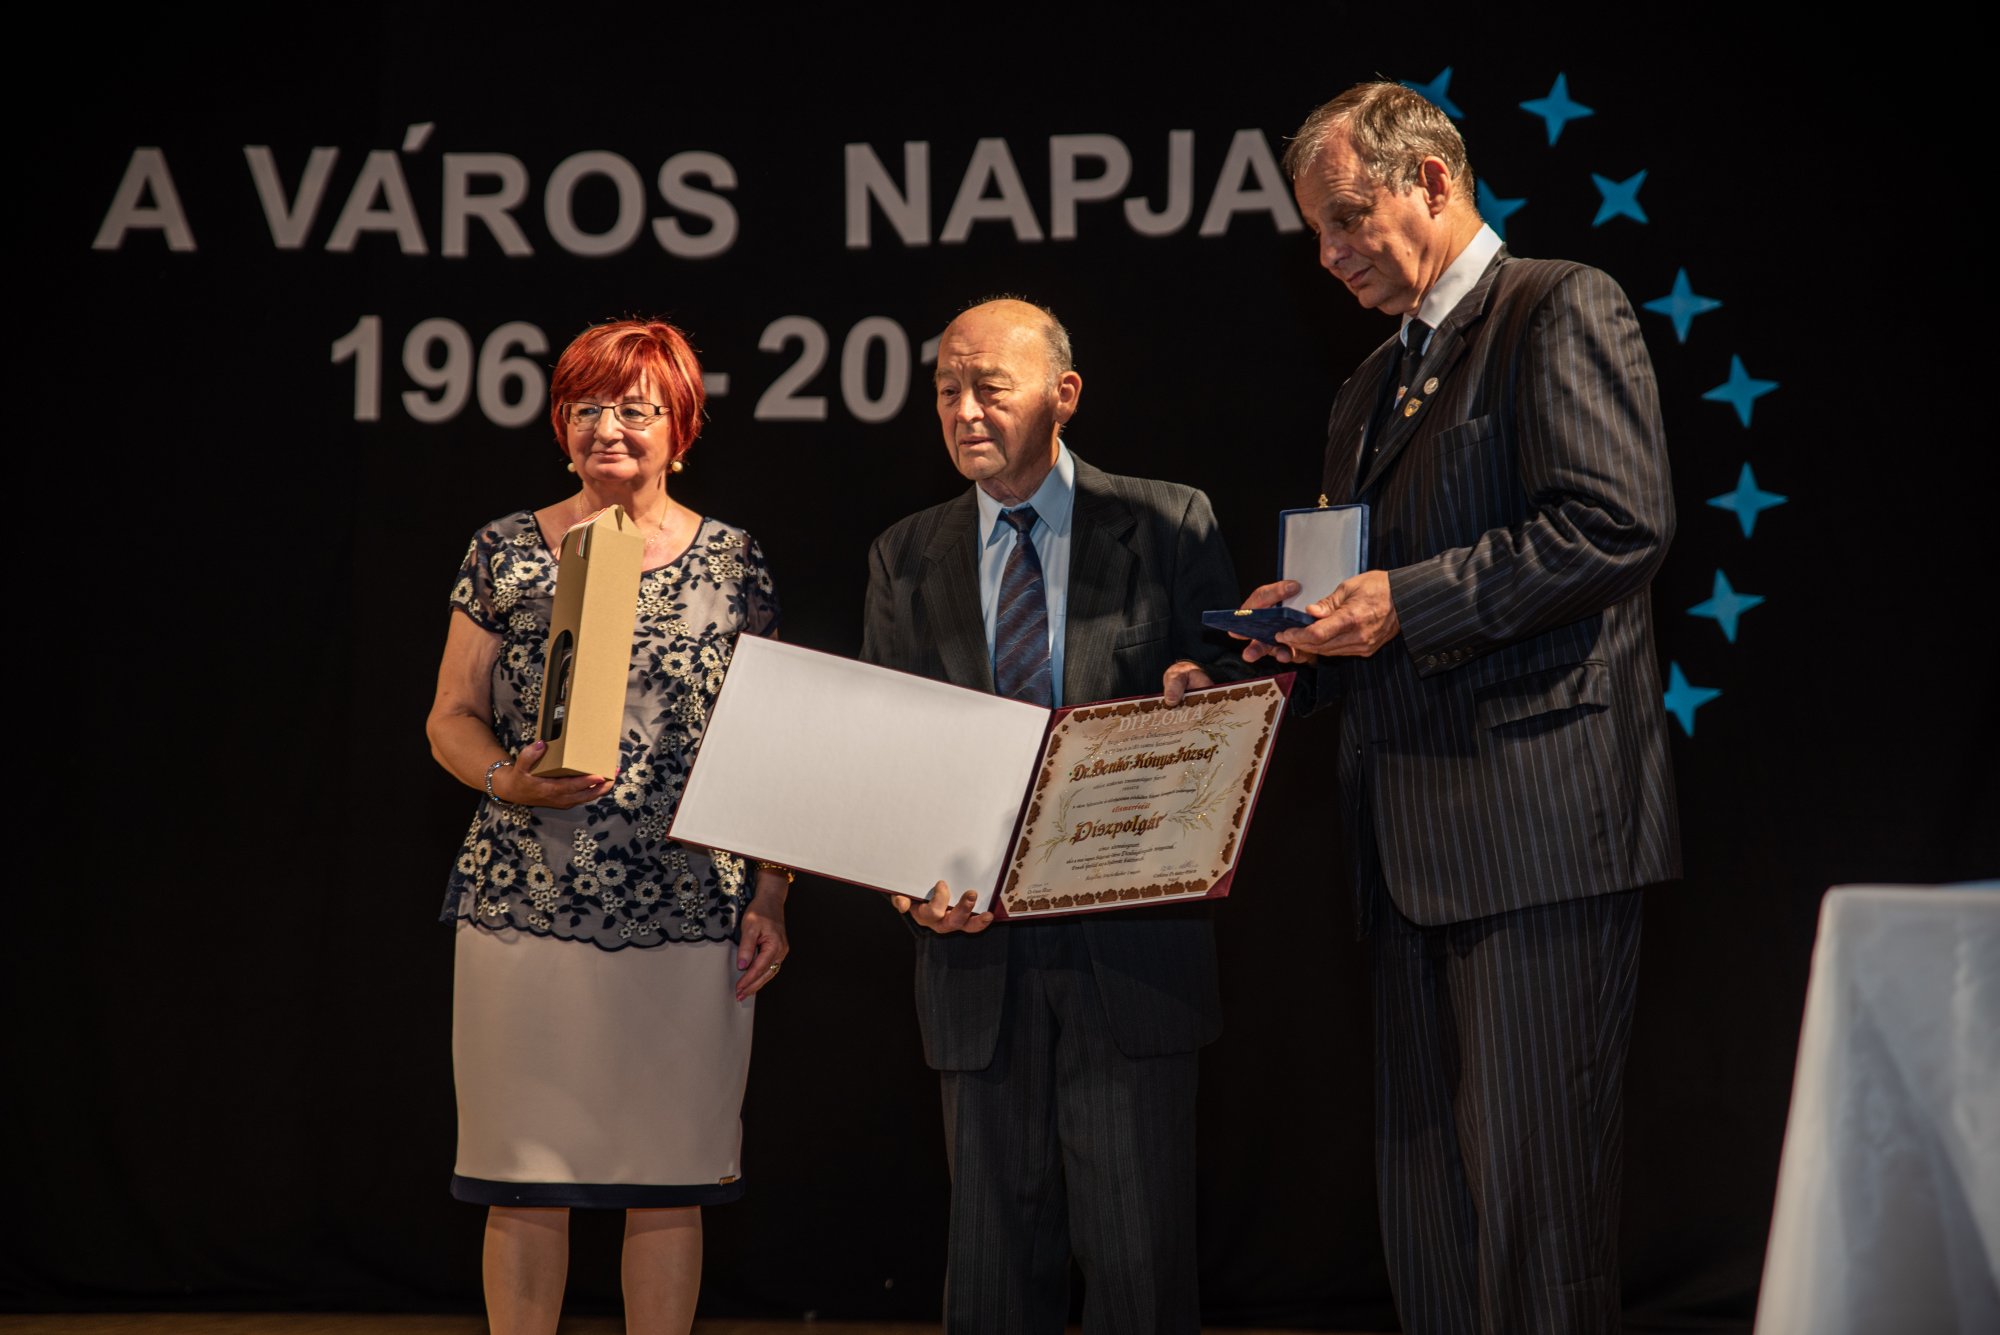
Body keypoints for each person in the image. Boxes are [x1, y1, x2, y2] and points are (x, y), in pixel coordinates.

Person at [1167, 83, 1679, 1334]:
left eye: (1347, 218)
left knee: (1532, 1220)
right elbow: (1360, 604)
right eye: (1316, 232)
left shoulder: (1556, 306)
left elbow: (1615, 525)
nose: (1330, 254)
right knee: (1430, 1222)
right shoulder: (1364, 389)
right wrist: (1272, 649)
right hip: (1401, 849)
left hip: (1537, 838)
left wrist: (1406, 599)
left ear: (1432, 181)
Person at [860, 298, 1242, 1334]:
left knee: (1140, 1269)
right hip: (972, 953)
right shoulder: (904, 555)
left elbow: (1232, 686)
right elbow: (885, 751)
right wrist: (905, 882)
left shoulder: (1169, 521)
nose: (964, 411)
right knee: (989, 1275)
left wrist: (1200, 690)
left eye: (990, 387)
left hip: (1133, 950)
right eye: (947, 390)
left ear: (1063, 395)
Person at [425, 318, 789, 1335]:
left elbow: (770, 746)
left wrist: (771, 892)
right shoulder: (503, 548)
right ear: (559, 425)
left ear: (681, 427)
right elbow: (448, 715)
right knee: (522, 1175)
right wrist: (504, 777)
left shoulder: (733, 561)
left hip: (687, 909)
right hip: (522, 901)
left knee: (668, 1177)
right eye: (585, 407)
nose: (607, 428)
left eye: (635, 408)